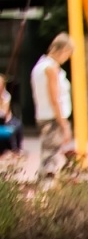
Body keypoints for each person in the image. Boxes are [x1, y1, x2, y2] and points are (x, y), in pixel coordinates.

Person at [30, 33, 73, 177]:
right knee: (50, 159)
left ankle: (45, 191)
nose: (67, 58)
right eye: (68, 53)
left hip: (43, 115)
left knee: (48, 155)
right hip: (53, 118)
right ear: (63, 50)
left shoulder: (40, 65)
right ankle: (45, 192)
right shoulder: (51, 68)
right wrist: (64, 124)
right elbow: (55, 98)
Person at [0, 72, 22, 155]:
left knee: (18, 125)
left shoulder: (6, 96)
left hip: (6, 119)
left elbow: (4, 113)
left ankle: (17, 149)